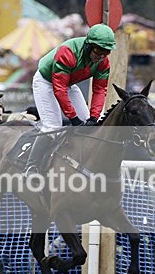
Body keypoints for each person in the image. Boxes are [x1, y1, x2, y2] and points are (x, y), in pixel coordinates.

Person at [26, 24, 116, 173]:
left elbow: (100, 90)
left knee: (89, 123)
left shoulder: (104, 62)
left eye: (106, 51)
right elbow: (59, 89)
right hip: (46, 81)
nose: (101, 55)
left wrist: (93, 118)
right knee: (53, 126)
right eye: (99, 50)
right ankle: (31, 165)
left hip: (69, 83)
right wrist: (73, 118)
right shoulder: (67, 52)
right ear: (88, 46)